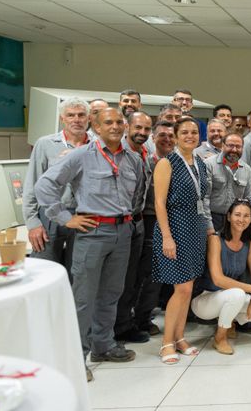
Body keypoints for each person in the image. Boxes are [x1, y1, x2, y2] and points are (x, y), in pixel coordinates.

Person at [34, 107, 145, 377]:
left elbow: (138, 193)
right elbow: (44, 187)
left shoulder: (133, 159)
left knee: (111, 294)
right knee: (83, 298)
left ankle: (103, 345)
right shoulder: (81, 156)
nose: (116, 126)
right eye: (109, 122)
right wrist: (65, 218)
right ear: (96, 127)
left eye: (120, 122)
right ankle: (75, 358)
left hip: (122, 233)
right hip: (92, 233)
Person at [152, 117, 212, 364]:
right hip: (175, 229)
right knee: (181, 288)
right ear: (175, 136)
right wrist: (167, 236)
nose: (190, 136)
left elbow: (204, 199)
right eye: (184, 132)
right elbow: (159, 203)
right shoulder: (167, 163)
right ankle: (166, 342)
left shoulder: (200, 162)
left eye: (194, 132)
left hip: (196, 229)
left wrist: (208, 230)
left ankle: (180, 337)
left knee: (188, 289)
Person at [191, 201, 251, 355]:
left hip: (230, 297)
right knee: (237, 294)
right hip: (205, 299)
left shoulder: (249, 242)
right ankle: (220, 338)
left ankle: (230, 321)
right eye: (237, 215)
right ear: (228, 217)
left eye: (246, 216)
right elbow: (218, 279)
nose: (242, 219)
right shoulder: (216, 239)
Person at [23, 97, 90, 274]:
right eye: (70, 115)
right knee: (44, 270)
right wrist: (32, 222)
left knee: (79, 273)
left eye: (81, 115)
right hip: (50, 216)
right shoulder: (45, 144)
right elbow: (32, 184)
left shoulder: (97, 146)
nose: (76, 119)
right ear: (62, 119)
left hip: (84, 216)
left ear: (88, 118)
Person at [132, 120, 176, 338]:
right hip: (150, 219)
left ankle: (144, 316)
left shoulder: (176, 162)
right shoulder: (146, 161)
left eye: (170, 135)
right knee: (147, 273)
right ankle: (138, 318)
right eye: (162, 135)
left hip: (171, 220)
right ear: (153, 138)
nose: (167, 139)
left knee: (159, 274)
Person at [114, 112, 153, 345]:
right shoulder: (117, 153)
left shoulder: (146, 154)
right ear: (127, 126)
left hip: (138, 222)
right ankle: (108, 330)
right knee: (116, 280)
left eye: (147, 129)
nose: (142, 133)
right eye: (138, 127)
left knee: (132, 278)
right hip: (119, 222)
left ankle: (123, 325)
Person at [204, 133, 251, 232]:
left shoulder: (247, 169)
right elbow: (204, 198)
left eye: (238, 147)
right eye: (230, 145)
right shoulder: (209, 164)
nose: (234, 150)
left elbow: (249, 199)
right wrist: (209, 226)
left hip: (236, 221)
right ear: (223, 146)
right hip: (213, 218)